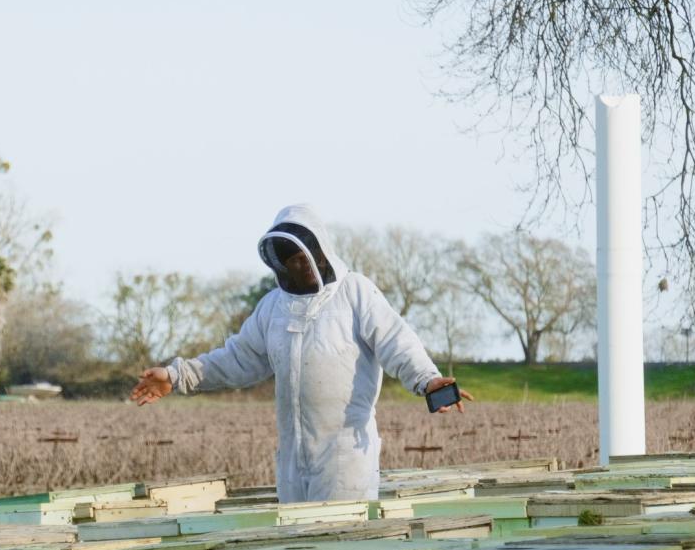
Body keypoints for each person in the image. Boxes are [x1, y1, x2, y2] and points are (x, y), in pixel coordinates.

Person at [130, 204, 472, 502]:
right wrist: (176, 376)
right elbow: (236, 359)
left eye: (306, 256)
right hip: (293, 463)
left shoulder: (356, 293)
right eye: (292, 260)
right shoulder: (272, 308)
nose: (302, 265)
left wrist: (428, 380)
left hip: (346, 457)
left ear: (321, 251)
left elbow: (397, 341)